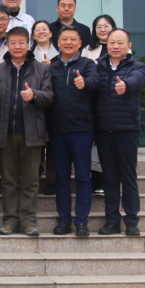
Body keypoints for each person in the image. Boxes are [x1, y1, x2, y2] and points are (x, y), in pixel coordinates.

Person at [0, 27, 53, 237]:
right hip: (4, 133)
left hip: (32, 133)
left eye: (21, 42)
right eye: (13, 42)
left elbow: (50, 97)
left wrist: (35, 96)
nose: (17, 46)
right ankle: (10, 220)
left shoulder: (42, 70)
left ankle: (28, 221)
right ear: (7, 45)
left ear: (29, 44)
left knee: (30, 180)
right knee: (8, 180)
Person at [47, 25, 99, 237]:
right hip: (57, 131)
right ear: (58, 43)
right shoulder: (51, 68)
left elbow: (96, 82)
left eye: (73, 39)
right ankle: (64, 220)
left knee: (83, 177)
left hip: (82, 129)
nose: (68, 42)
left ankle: (82, 222)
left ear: (80, 43)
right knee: (61, 177)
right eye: (64, 39)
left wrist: (85, 82)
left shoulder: (87, 64)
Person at [94, 29, 145, 237]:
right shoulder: (98, 67)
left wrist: (125, 85)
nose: (115, 46)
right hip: (104, 130)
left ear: (129, 46)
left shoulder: (138, 67)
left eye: (120, 42)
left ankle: (132, 221)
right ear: (106, 45)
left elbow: (136, 80)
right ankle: (112, 221)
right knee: (109, 178)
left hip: (127, 129)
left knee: (128, 176)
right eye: (112, 42)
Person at [81, 14, 119, 195]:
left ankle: (112, 182)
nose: (103, 29)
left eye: (106, 25)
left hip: (115, 102)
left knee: (112, 144)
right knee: (95, 144)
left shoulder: (122, 49)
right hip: (92, 100)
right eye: (99, 26)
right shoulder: (88, 50)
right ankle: (97, 182)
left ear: (113, 27)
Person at [32, 19, 60, 196]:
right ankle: (36, 175)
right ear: (33, 36)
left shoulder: (60, 55)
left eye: (44, 29)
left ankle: (52, 180)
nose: (41, 32)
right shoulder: (28, 55)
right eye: (37, 30)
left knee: (53, 146)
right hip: (35, 104)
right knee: (36, 143)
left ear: (50, 33)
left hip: (56, 105)